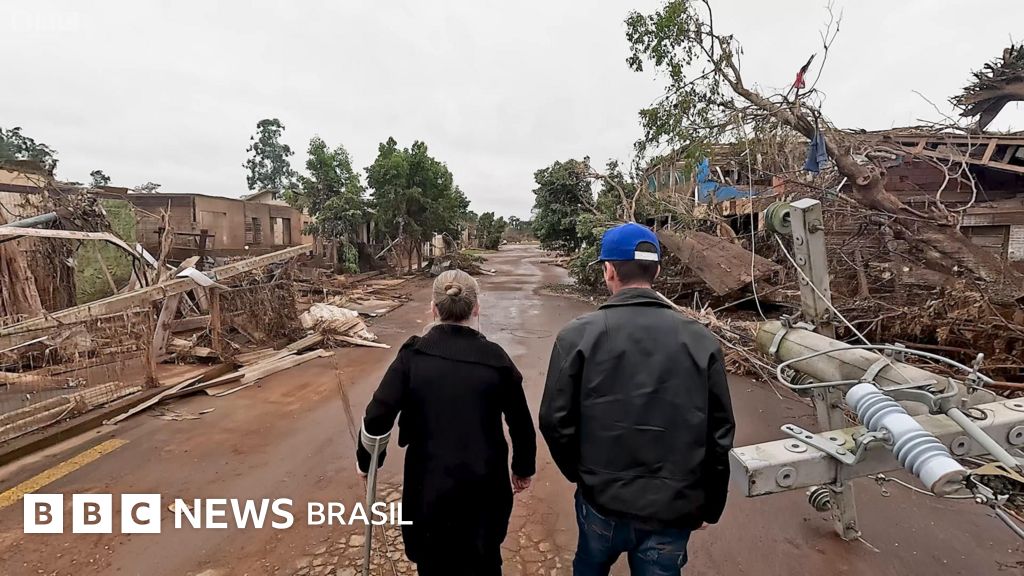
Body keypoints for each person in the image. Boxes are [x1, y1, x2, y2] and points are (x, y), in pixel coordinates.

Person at [539, 222, 735, 576]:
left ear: (608, 270)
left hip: (601, 500)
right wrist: (709, 504)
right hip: (673, 509)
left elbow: (554, 420)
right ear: (657, 270)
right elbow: (720, 434)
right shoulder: (701, 341)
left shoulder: (577, 337)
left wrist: (583, 474)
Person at [357, 269, 536, 576]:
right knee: (485, 561)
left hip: (429, 490)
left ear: (434, 309)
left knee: (433, 564)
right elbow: (520, 422)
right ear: (476, 308)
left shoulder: (413, 358)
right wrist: (523, 468)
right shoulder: (497, 360)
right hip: (484, 489)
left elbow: (378, 416)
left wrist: (367, 462)